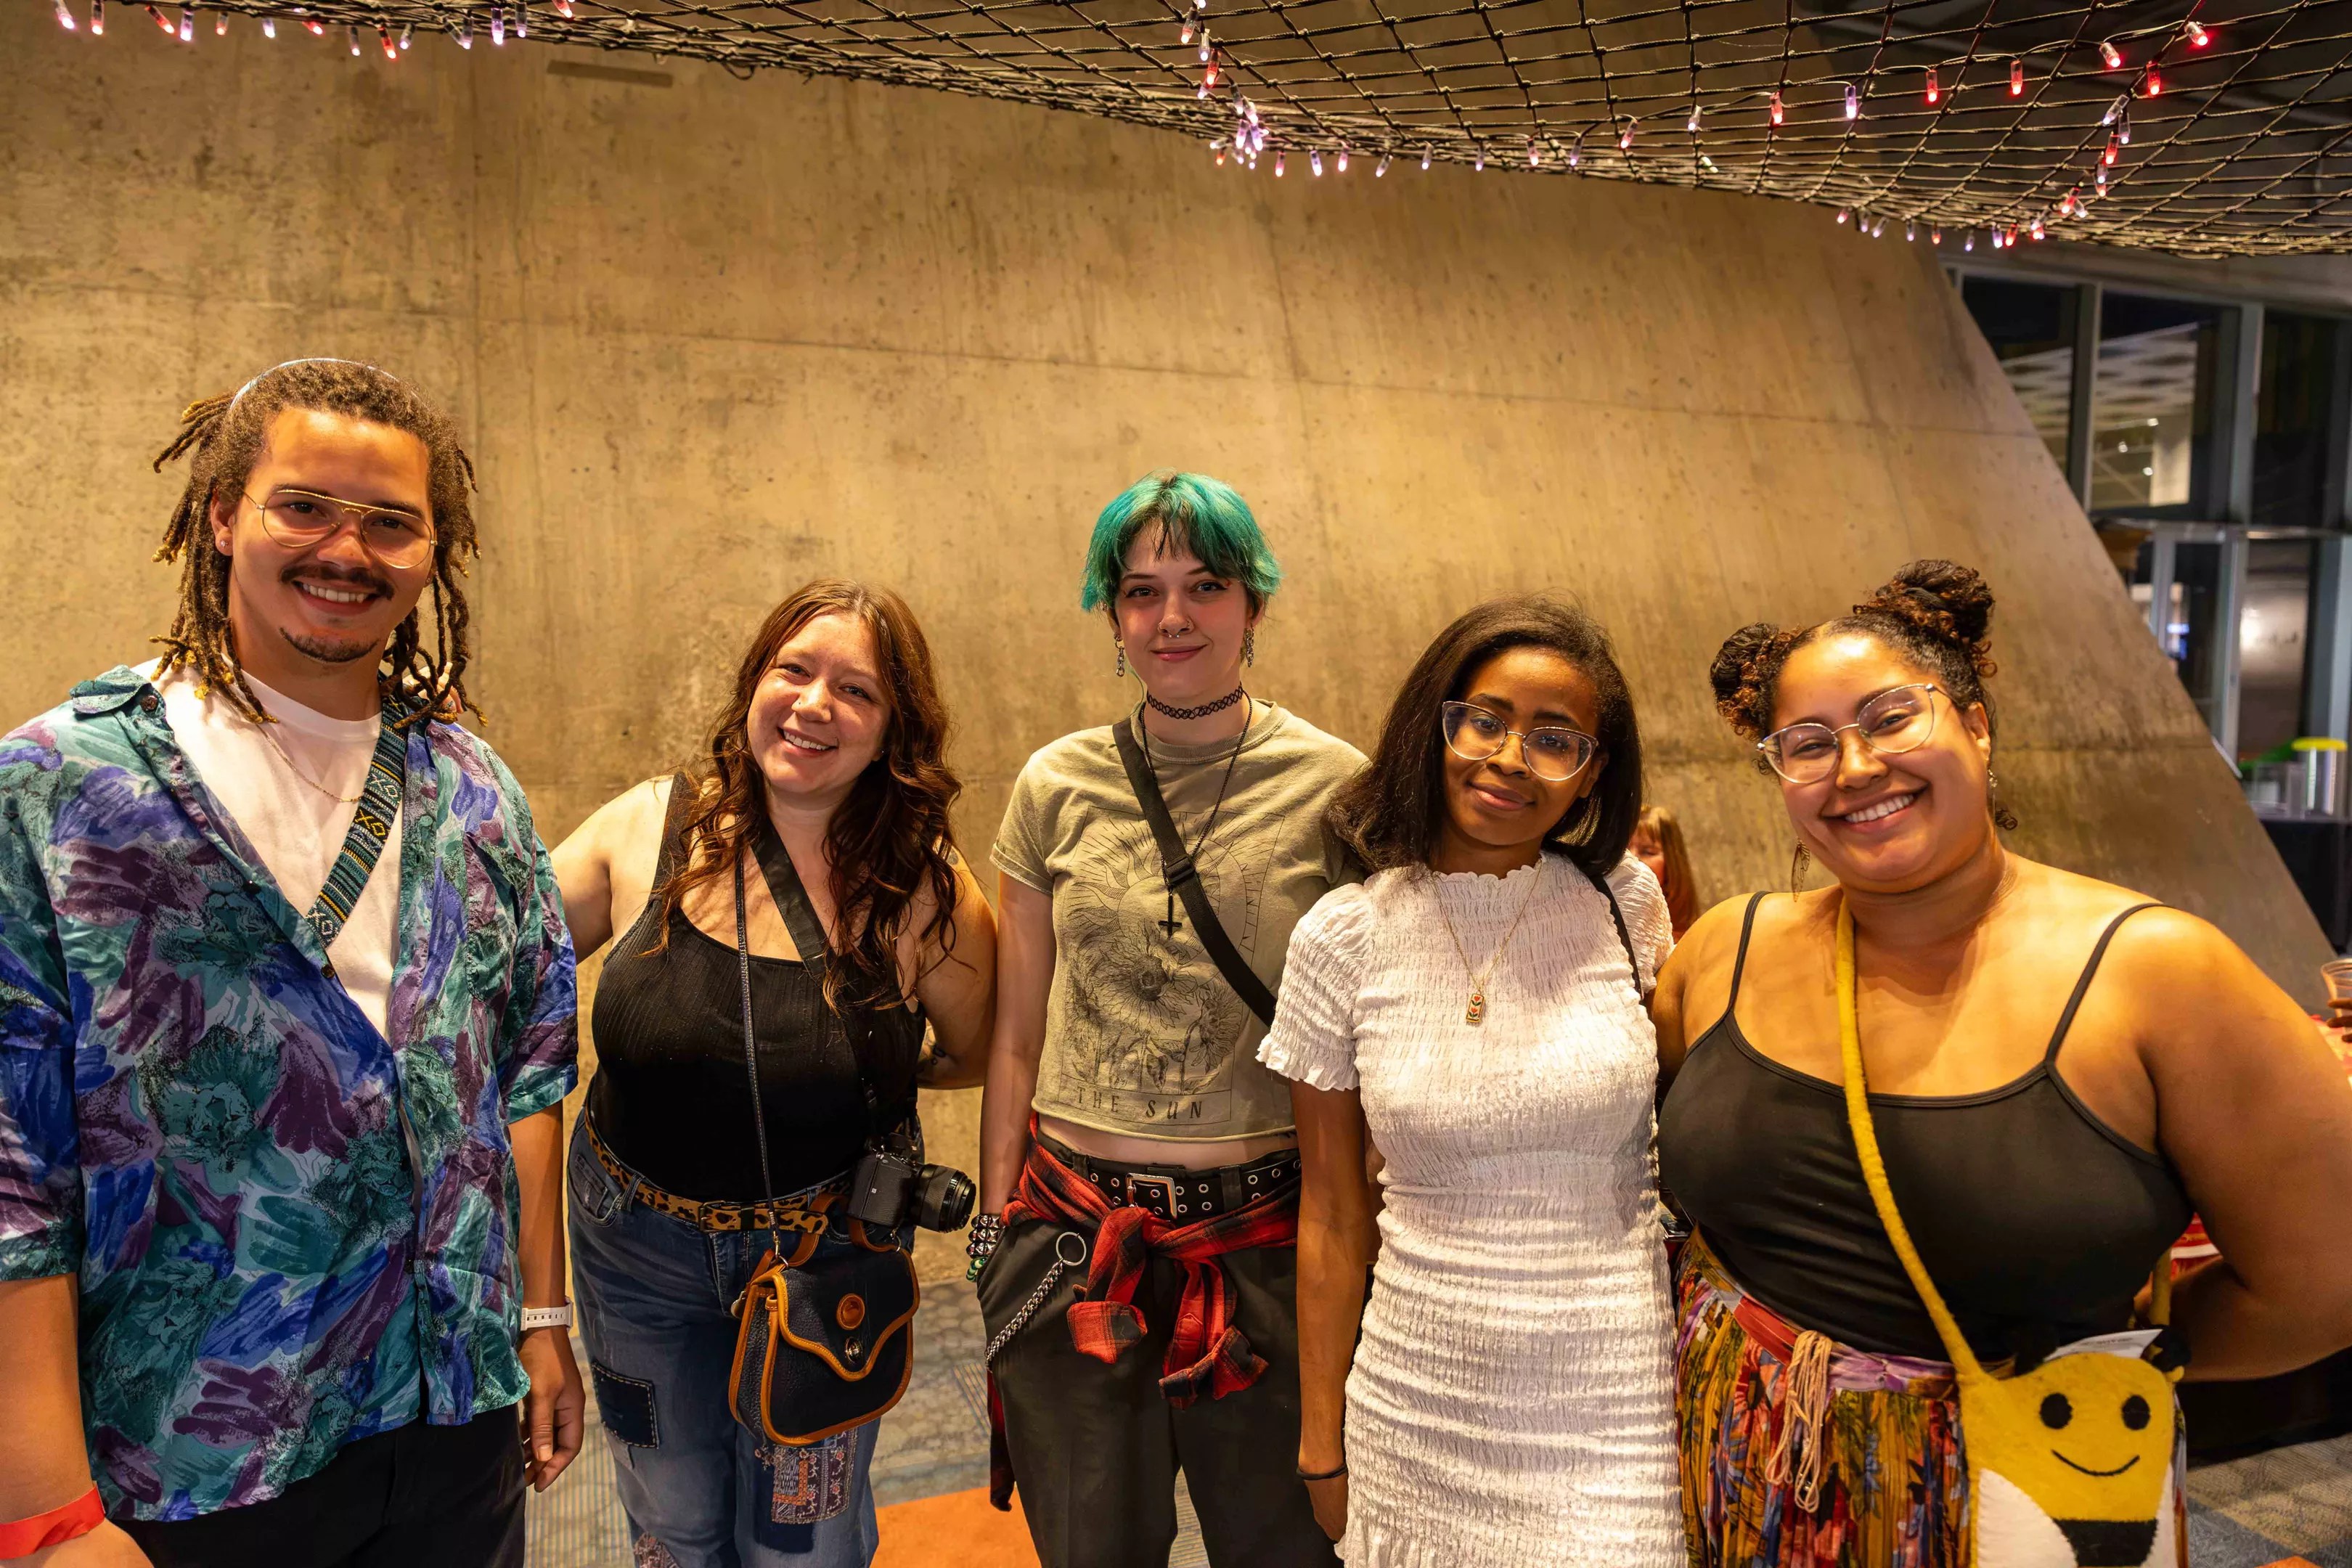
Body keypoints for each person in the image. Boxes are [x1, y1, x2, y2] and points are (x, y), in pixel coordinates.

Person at [1654, 560, 2352, 1567]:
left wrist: (2115, 1358)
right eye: (1807, 744)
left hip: (2013, 1491)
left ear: (1976, 726)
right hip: (1729, 1467)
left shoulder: (2159, 973)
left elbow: (2323, 1281)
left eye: (1892, 717)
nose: (1856, 766)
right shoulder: (1725, 947)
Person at [0, 359, 581, 1567]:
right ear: (223, 516)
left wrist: (538, 1318)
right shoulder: (63, 792)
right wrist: (45, 1509)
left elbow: (525, 1075)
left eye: (391, 523)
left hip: (453, 1423)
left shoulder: (471, 790)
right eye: (305, 506)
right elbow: (13, 1169)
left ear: (433, 552)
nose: (347, 550)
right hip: (194, 1454)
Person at [552, 579, 996, 1568]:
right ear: (755, 681)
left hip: (823, 1256)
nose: (813, 704)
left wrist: (838, 1078)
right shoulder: (648, 824)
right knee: (672, 1521)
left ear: (893, 732)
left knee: (802, 1541)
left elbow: (973, 1052)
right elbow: (499, 958)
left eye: (856, 690)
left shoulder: (924, 890)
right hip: (634, 1252)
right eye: (793, 670)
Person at [973, 471, 1363, 1568]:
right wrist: (996, 1231)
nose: (1173, 617)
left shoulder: (1338, 789)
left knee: (1287, 1547)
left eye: (1206, 586)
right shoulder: (1055, 783)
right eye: (1141, 592)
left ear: (1254, 603)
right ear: (1113, 615)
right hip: (1073, 1238)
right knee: (1091, 1549)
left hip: (1267, 1246)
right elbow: (1016, 1034)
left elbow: (1366, 1047)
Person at [1262, 597, 1683, 1567]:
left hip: (1615, 1401)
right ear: (1435, 726)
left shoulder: (1627, 905)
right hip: (1418, 1400)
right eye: (1484, 720)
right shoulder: (1345, 936)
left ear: (1592, 774)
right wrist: (1321, 1445)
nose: (1509, 758)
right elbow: (1332, 1218)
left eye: (1554, 739)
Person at [1632, 803, 1699, 939]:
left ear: (1672, 863)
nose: (1630, 858)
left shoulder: (1692, 940)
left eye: (1647, 852)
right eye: (1622, 850)